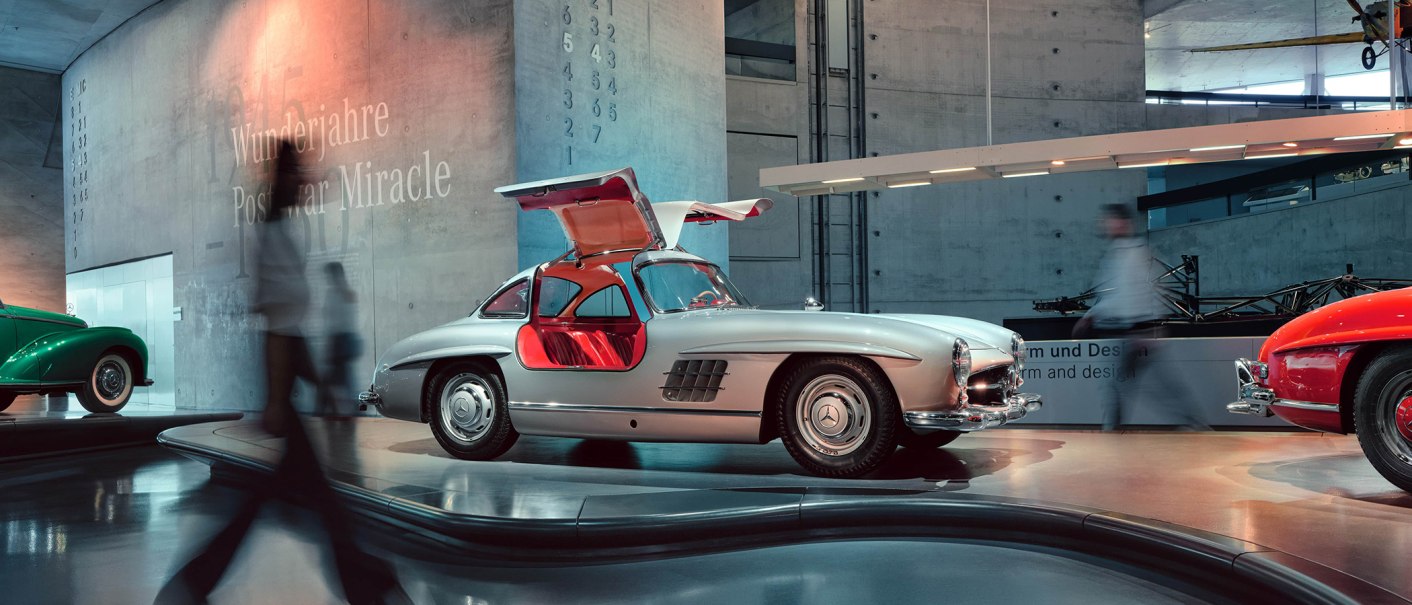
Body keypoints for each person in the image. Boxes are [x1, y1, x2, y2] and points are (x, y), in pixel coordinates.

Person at [155, 140, 405, 605]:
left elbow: (289, 328)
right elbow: (277, 325)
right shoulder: (273, 234)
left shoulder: (282, 228)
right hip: (281, 380)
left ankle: (195, 584)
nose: (304, 184)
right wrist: (277, 396)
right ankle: (364, 584)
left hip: (287, 377)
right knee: (304, 500)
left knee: (275, 495)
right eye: (297, 175)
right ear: (282, 180)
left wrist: (321, 384)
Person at [1073, 203, 1208, 431]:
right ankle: (1191, 422)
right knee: (1150, 385)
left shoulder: (1130, 254)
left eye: (1110, 220)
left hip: (1138, 333)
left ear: (1122, 223)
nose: (1105, 225)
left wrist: (1090, 316)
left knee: (1130, 385)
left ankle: (1115, 430)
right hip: (1141, 332)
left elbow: (1126, 296)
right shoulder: (1126, 252)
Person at [321, 262, 360, 418]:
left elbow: (333, 320)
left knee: (339, 375)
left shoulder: (336, 293)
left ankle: (337, 407)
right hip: (344, 338)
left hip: (339, 338)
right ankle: (341, 407)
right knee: (343, 375)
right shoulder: (347, 292)